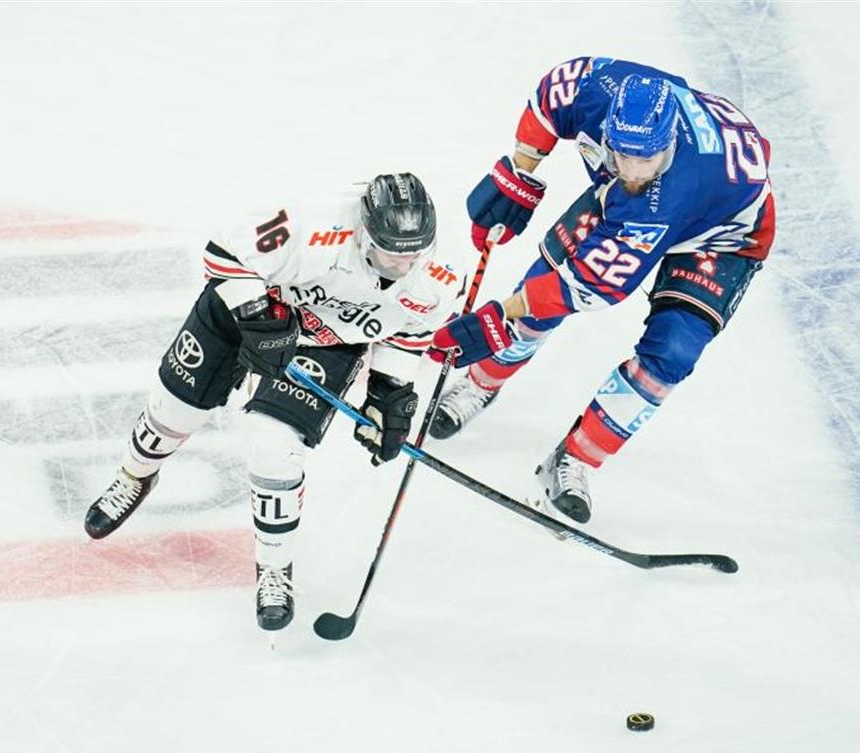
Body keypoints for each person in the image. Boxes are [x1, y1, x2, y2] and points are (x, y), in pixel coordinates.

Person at [83, 173, 465, 631]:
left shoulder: (441, 276)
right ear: (365, 232)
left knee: (273, 445)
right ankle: (135, 476)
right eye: (391, 254)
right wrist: (257, 316)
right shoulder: (315, 225)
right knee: (173, 409)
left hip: (328, 340)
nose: (403, 267)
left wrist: (389, 391)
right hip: (254, 308)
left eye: (413, 255)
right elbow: (224, 251)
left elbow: (409, 332)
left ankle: (274, 567)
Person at [427, 57, 775, 524]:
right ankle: (479, 384)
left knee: (671, 354)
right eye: (620, 153)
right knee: (536, 296)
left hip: (724, 235)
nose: (630, 169)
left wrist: (497, 315)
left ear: (668, 144)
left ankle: (576, 458)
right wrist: (519, 172)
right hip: (652, 204)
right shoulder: (598, 88)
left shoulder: (663, 195)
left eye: (644, 158)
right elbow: (551, 96)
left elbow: (584, 287)